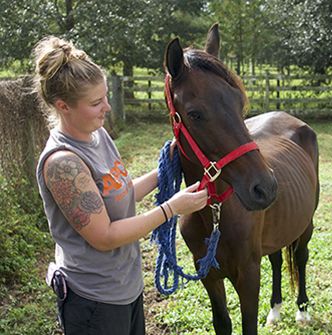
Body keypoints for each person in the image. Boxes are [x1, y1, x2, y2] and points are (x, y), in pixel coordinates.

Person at [33, 36, 208, 335]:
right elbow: (104, 236)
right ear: (63, 106)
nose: (107, 108)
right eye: (96, 102)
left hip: (125, 286)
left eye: (105, 97)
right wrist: (171, 209)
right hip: (93, 301)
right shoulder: (63, 164)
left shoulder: (97, 135)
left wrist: (163, 171)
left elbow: (120, 192)